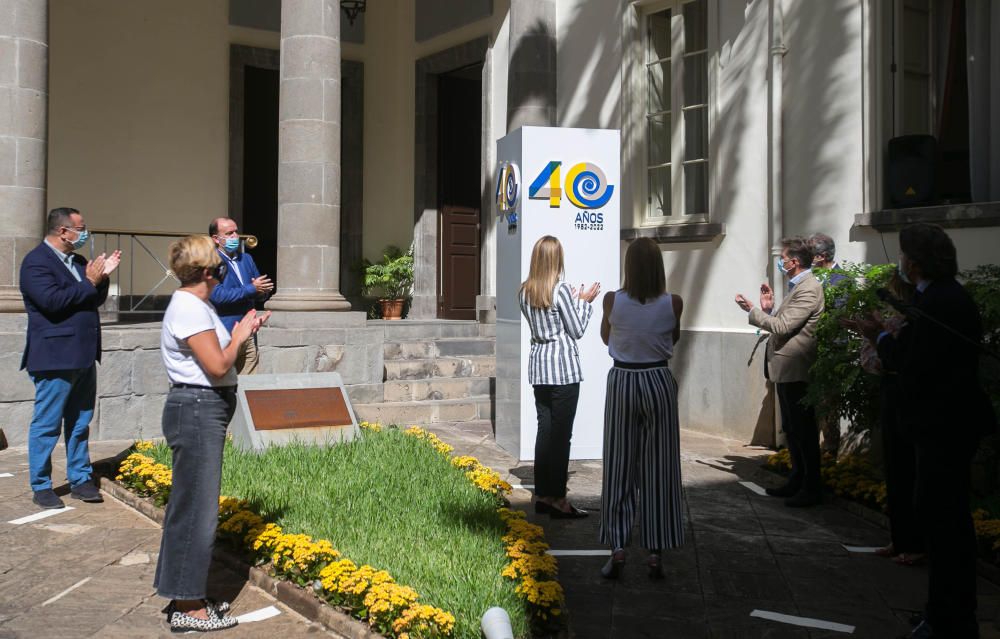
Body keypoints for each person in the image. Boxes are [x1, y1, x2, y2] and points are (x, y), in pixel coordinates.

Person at [851, 223, 995, 639]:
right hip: (941, 423)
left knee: (946, 526)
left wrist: (877, 334)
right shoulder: (941, 296)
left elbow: (914, 361)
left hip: (943, 425)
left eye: (903, 254)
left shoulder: (942, 301)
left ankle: (950, 619)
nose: (902, 261)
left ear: (915, 262)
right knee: (940, 520)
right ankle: (942, 612)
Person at [155, 235, 269, 632]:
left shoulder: (197, 305)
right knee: (197, 513)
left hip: (205, 409)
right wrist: (240, 336)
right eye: (218, 262)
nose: (224, 266)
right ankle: (188, 606)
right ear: (207, 272)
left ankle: (185, 594)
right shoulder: (188, 307)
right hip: (198, 410)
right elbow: (218, 366)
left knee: (192, 507)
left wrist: (243, 326)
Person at [19, 207, 121, 509]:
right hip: (54, 357)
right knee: (47, 424)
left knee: (79, 423)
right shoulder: (36, 262)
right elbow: (52, 303)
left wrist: (100, 279)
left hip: (83, 355)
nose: (84, 233)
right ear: (64, 231)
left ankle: (80, 479)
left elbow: (91, 299)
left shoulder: (77, 262)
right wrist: (89, 282)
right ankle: (41, 485)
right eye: (81, 228)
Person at [598, 237, 684, 580]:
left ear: (628, 266)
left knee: (619, 464)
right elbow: (671, 339)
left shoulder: (611, 300)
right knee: (659, 470)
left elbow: (607, 339)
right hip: (658, 379)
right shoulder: (673, 302)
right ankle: (655, 552)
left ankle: (617, 547)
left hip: (623, 379)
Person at [736, 236, 824, 507]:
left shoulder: (809, 288)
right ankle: (797, 479)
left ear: (794, 262)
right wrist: (768, 310)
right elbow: (784, 321)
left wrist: (753, 311)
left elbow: (784, 327)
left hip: (796, 368)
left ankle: (811, 487)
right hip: (785, 368)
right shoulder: (797, 286)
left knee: (803, 429)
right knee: (791, 428)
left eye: (783, 259)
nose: (781, 262)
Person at [519, 235, 600, 519]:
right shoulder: (561, 290)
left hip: (540, 367)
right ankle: (558, 499)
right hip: (563, 369)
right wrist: (585, 302)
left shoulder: (524, 292)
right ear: (557, 260)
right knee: (562, 436)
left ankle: (542, 494)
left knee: (545, 430)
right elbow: (576, 330)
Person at [849, 272, 924, 567]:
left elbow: (893, 355)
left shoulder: (913, 318)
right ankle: (901, 538)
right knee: (895, 469)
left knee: (910, 470)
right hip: (892, 390)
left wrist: (876, 334)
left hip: (907, 394)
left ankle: (916, 542)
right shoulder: (896, 317)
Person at [209, 217, 273, 374]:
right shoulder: (212, 261)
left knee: (250, 387)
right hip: (226, 332)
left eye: (236, 231)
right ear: (216, 239)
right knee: (226, 385)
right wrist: (252, 288)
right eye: (229, 233)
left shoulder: (246, 259)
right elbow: (219, 296)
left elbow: (258, 291)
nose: (235, 236)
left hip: (249, 332)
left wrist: (262, 291)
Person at [809, 232, 848, 456]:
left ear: (822, 257)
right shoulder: (808, 278)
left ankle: (830, 449)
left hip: (831, 350)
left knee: (829, 403)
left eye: (811, 255)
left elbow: (838, 315)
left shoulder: (841, 279)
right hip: (808, 350)